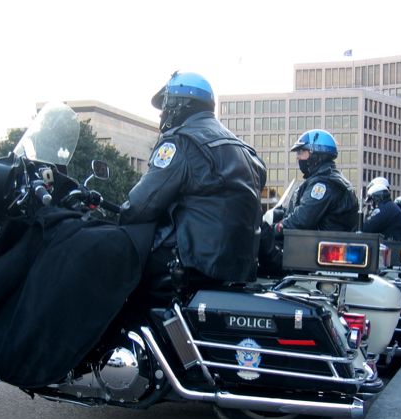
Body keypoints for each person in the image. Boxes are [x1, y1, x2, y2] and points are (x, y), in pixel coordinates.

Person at [119, 71, 267, 283]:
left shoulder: (181, 142)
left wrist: (120, 216)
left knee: (110, 265)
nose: (162, 114)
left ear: (178, 103)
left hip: (192, 264)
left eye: (165, 106)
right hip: (239, 267)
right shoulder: (245, 150)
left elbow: (141, 206)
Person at [258, 129, 359, 274]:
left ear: (315, 153)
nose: (298, 158)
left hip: (311, 254)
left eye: (301, 152)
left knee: (261, 234)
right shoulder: (326, 178)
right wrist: (280, 214)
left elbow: (302, 219)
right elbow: (302, 211)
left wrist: (274, 228)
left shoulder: (324, 183)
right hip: (312, 249)